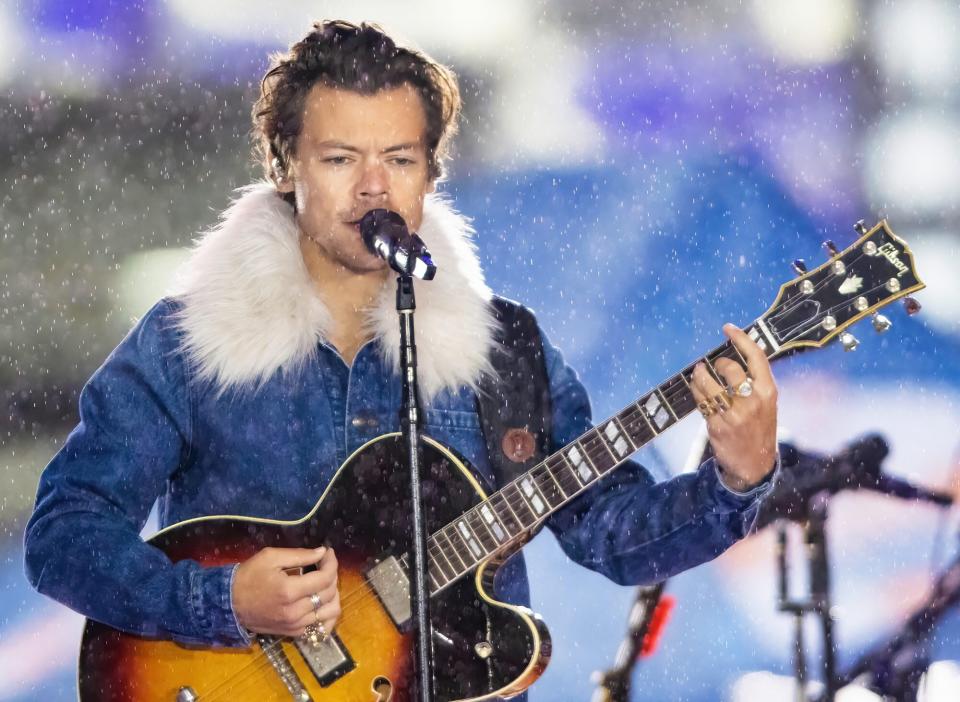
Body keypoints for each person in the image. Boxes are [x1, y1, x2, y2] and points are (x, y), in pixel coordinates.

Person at [24, 17, 778, 688]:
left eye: (400, 159)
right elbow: (64, 533)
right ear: (286, 168)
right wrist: (218, 601)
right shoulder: (189, 342)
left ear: (431, 176)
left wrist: (738, 475)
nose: (374, 188)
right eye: (341, 159)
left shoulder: (504, 351)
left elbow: (616, 537)